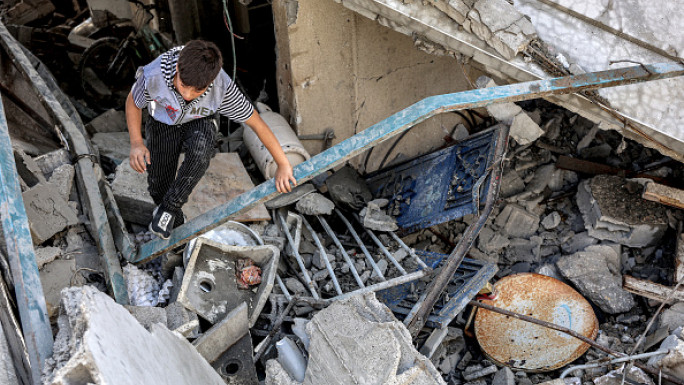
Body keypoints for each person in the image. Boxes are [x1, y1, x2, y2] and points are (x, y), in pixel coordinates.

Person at [125, 39, 296, 239]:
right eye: (183, 85)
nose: (187, 94)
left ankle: (170, 208)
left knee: (200, 152)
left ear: (211, 82)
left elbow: (257, 124)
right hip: (163, 122)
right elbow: (133, 102)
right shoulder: (154, 75)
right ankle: (176, 226)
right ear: (178, 69)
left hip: (200, 119)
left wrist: (283, 163)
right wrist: (136, 143)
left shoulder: (222, 88)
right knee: (158, 186)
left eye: (197, 90)